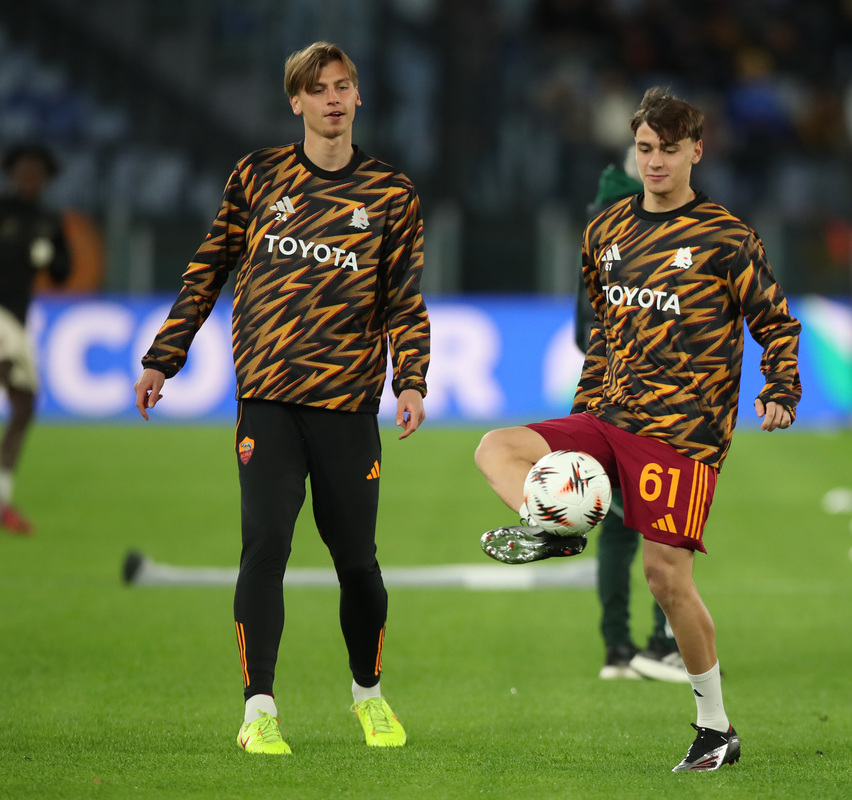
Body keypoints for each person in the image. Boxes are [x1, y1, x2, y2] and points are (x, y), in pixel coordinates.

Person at [475, 87, 800, 772]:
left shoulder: (726, 237)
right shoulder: (606, 230)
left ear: (696, 152)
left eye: (669, 150)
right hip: (608, 414)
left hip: (683, 434)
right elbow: (605, 333)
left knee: (666, 580)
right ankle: (556, 524)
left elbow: (776, 323)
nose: (655, 162)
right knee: (496, 447)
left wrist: (781, 388)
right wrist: (582, 415)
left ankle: (716, 728)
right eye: (646, 150)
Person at [133, 42, 430, 755]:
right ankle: (258, 710)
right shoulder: (257, 176)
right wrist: (161, 357)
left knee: (357, 561)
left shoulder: (392, 194)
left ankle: (369, 697)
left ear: (358, 99)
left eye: (344, 87)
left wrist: (411, 378)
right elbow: (208, 268)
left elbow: (405, 300)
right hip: (267, 399)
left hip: (348, 405)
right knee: (264, 547)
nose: (333, 99)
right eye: (317, 88)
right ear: (295, 101)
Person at [575, 151, 687, 684]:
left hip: (612, 402)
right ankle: (663, 644)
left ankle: (616, 649)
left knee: (617, 529)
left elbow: (584, 326)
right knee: (668, 526)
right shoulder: (641, 226)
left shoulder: (600, 220)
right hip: (657, 408)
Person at [0, 144, 70, 536]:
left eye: (36, 174)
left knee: (24, 406)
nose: (29, 179)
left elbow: (64, 271)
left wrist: (48, 257)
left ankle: (2, 497)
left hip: (16, 320)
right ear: (13, 175)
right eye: (23, 172)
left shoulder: (48, 220)